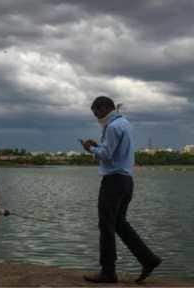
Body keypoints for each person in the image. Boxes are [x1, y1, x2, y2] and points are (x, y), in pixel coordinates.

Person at [80, 96, 161, 283]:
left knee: (106, 226)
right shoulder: (124, 123)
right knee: (119, 224)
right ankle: (148, 259)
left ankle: (108, 272)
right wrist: (98, 145)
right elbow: (115, 151)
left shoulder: (112, 127)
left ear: (105, 108)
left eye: (97, 113)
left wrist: (90, 149)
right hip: (126, 181)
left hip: (113, 182)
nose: (96, 117)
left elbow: (107, 155)